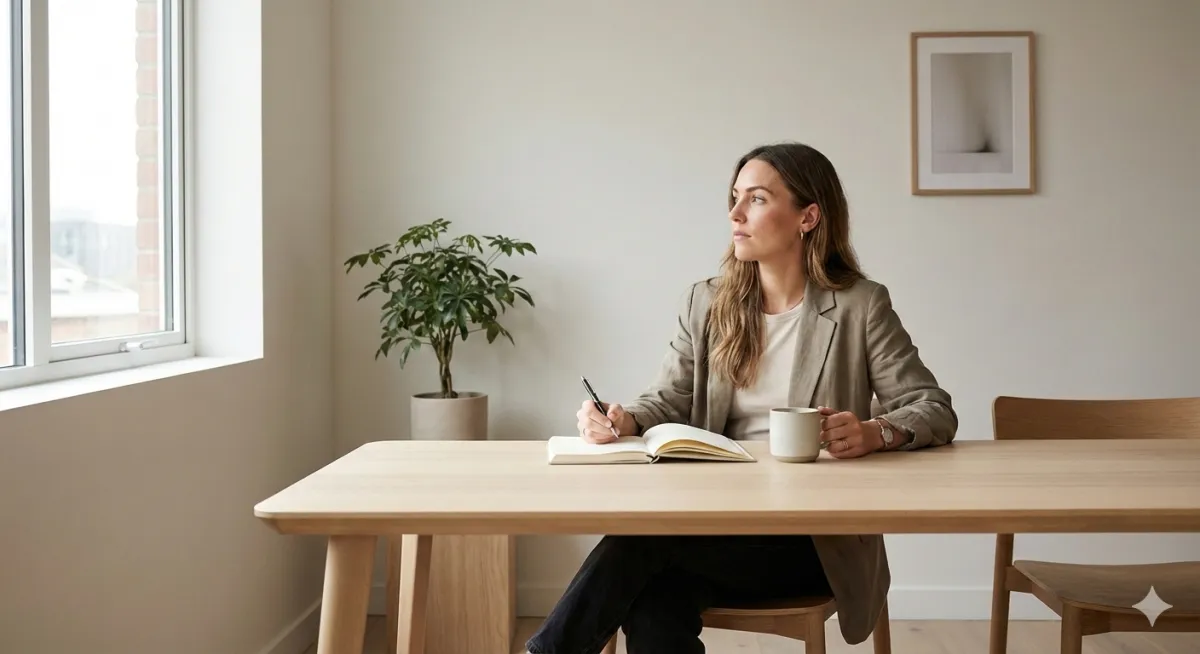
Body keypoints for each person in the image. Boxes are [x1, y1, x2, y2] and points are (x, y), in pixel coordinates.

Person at [525, 142, 957, 654]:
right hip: (712, 524)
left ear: (808, 216)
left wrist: (874, 431)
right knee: (656, 599)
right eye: (734, 197)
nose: (734, 214)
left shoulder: (861, 306)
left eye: (755, 199)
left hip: (811, 541)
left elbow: (933, 407)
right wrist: (624, 418)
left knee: (638, 541)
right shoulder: (707, 301)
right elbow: (670, 399)